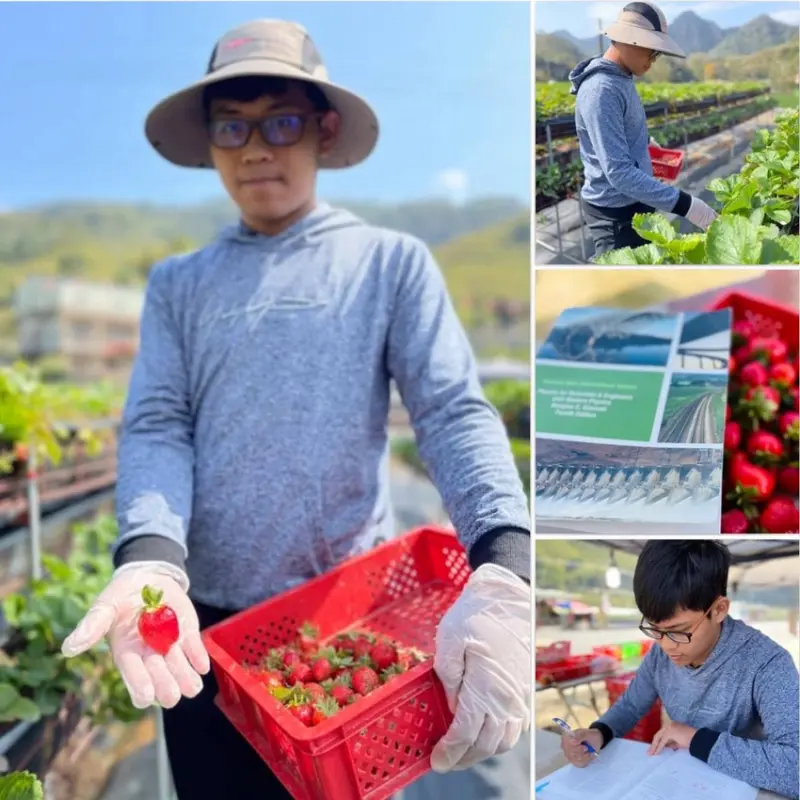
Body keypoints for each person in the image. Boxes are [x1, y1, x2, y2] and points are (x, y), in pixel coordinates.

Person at [60, 18, 531, 799]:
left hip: (351, 628)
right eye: (231, 127)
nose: (255, 149)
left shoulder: (388, 264)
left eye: (281, 122)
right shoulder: (179, 285)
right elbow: (157, 425)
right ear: (208, 143)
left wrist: (504, 565)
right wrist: (149, 558)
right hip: (201, 627)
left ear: (324, 130)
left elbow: (451, 410)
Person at [561, 541, 799, 800]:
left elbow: (794, 766)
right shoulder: (659, 655)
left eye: (678, 631)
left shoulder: (767, 663)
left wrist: (695, 738)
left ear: (719, 609)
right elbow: (630, 705)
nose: (665, 645)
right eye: (655, 629)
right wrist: (599, 733)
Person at [568, 2, 718, 257]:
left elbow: (620, 125)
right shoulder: (601, 90)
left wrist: (644, 141)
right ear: (628, 41)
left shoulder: (622, 78)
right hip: (615, 214)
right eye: (651, 50)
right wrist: (689, 206)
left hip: (635, 201)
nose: (653, 60)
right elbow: (619, 173)